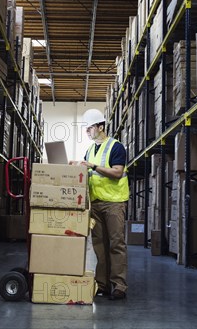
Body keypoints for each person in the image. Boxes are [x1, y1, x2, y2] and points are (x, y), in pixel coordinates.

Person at [79, 108, 129, 300]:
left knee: (116, 244)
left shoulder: (116, 147)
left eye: (90, 128)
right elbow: (88, 173)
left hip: (114, 203)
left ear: (100, 127)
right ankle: (103, 284)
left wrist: (92, 166)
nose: (87, 132)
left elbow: (117, 172)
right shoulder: (90, 150)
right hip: (96, 204)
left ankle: (119, 286)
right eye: (86, 129)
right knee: (99, 245)